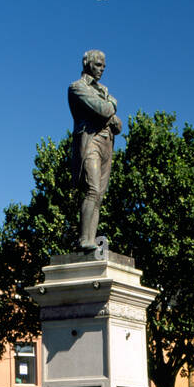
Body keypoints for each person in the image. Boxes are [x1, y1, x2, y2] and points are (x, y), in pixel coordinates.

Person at [69, 50, 123, 250]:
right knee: (91, 189)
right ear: (87, 63)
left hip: (106, 145)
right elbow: (105, 110)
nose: (101, 69)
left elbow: (118, 125)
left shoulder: (104, 91)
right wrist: (111, 105)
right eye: (98, 65)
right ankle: (85, 240)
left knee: (99, 194)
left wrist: (109, 110)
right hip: (89, 141)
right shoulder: (77, 88)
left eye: (103, 66)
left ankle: (90, 239)